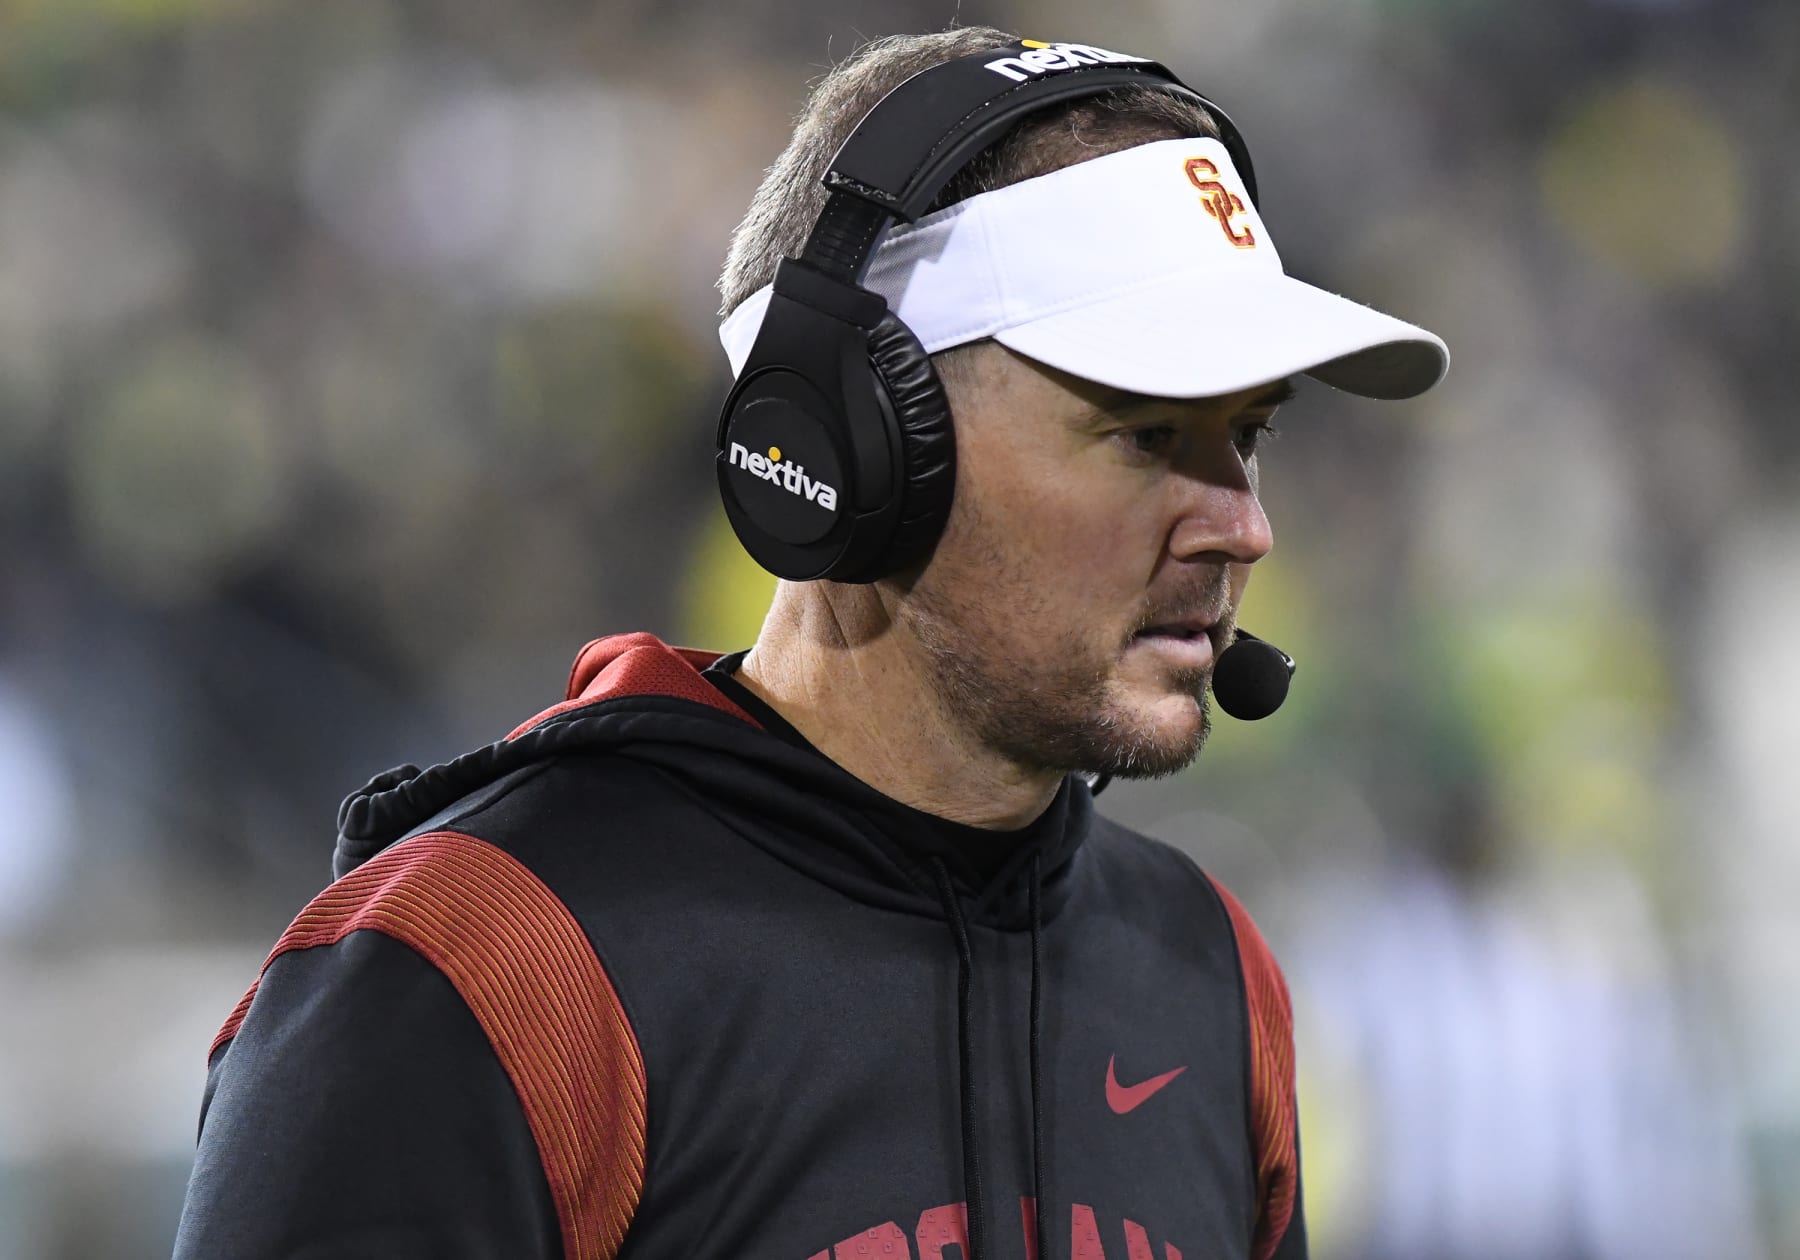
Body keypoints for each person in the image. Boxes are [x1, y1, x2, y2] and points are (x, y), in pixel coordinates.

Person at [173, 26, 1446, 1260]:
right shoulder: (484, 969)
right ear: (854, 447)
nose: (1242, 527)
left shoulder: (1215, 981)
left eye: (1250, 436)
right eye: (1147, 437)